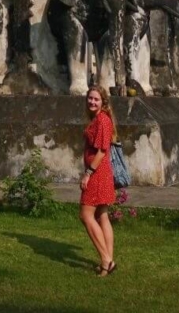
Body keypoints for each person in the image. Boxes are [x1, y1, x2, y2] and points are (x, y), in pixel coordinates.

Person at [79, 85, 116, 276]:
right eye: (90, 99)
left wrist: (88, 173)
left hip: (97, 173)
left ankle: (106, 260)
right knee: (102, 215)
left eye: (96, 99)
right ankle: (108, 262)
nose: (92, 102)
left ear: (103, 102)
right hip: (100, 172)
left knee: (86, 215)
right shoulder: (98, 119)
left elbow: (102, 150)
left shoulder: (102, 120)